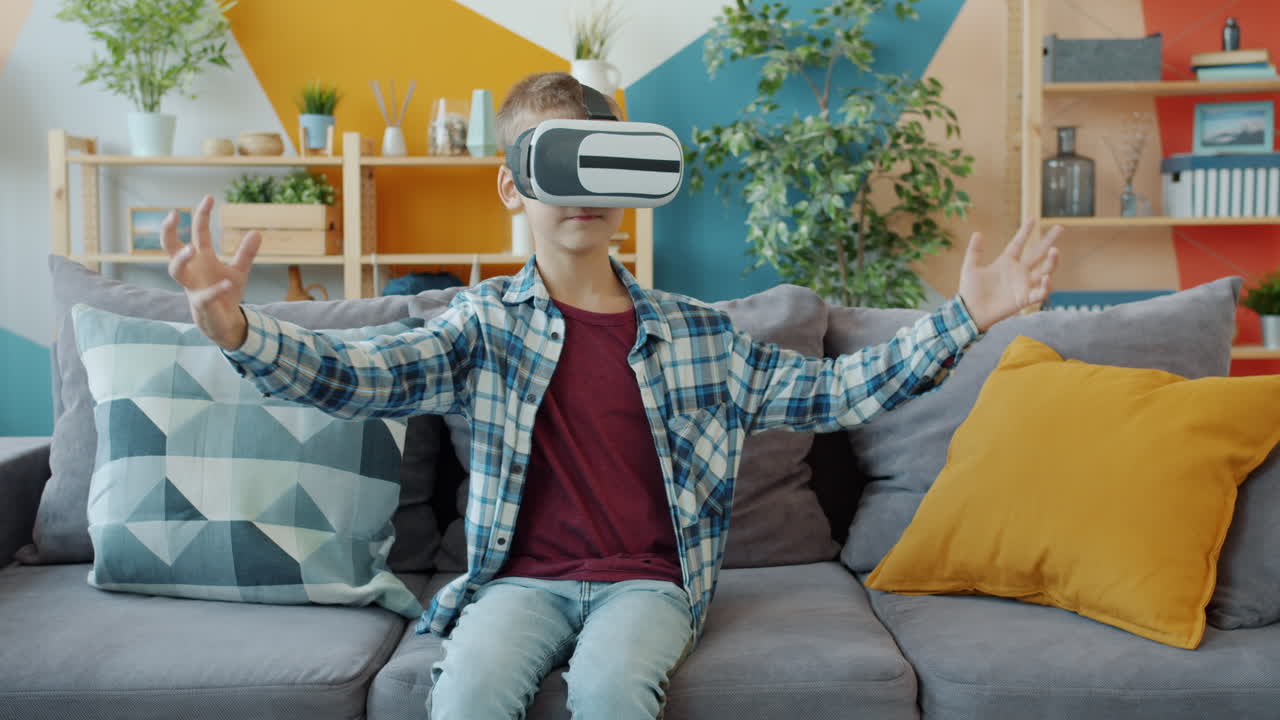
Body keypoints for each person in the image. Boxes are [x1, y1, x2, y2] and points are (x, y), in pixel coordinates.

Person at [162, 72, 1062, 720]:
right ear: (513, 186)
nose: (582, 190)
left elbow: (833, 392)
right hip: (518, 586)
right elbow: (362, 376)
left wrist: (962, 320)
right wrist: (241, 331)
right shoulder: (478, 325)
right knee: (466, 691)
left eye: (602, 164)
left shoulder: (697, 337)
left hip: (650, 587)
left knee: (611, 690)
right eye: (556, 165)